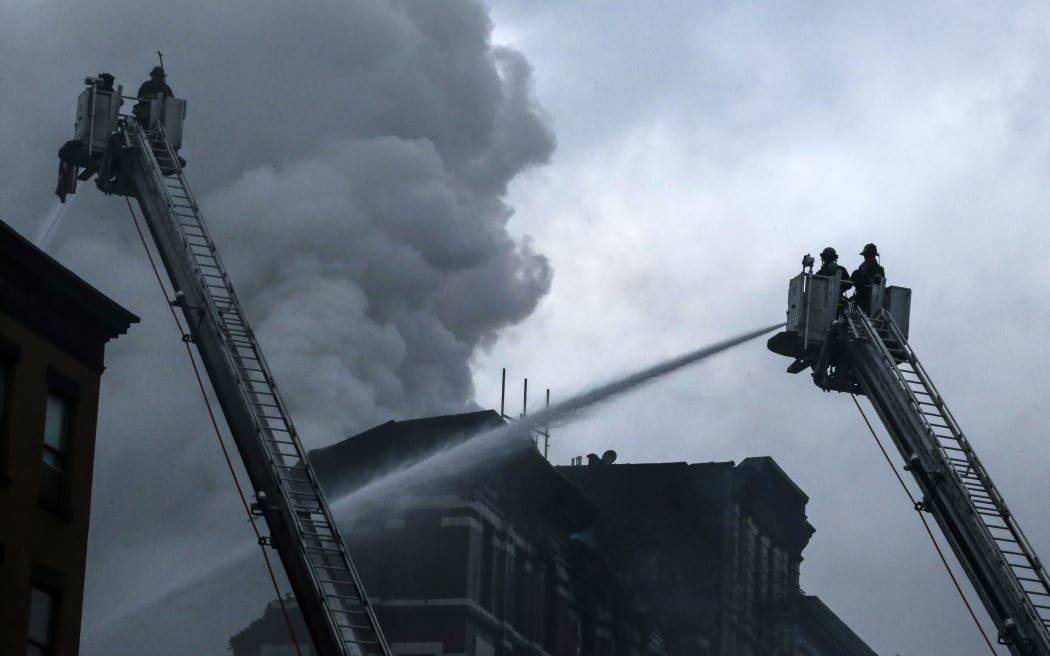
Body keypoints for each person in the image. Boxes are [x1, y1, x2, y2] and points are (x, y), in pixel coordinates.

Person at [851, 243, 885, 314]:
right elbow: (854, 279)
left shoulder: (878, 269)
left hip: (870, 299)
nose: (866, 258)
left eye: (869, 256)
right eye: (866, 256)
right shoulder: (860, 269)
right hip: (859, 297)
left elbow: (876, 282)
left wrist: (864, 281)